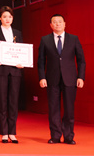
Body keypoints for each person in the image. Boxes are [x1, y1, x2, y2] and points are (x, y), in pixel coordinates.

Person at [38, 14, 85, 145]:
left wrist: (81, 77)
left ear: (64, 24)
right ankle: (55, 136)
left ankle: (69, 136)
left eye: (60, 22)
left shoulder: (73, 39)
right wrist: (42, 77)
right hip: (51, 79)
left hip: (70, 79)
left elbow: (81, 60)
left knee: (69, 109)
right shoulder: (45, 40)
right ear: (51, 25)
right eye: (55, 22)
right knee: (53, 108)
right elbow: (40, 61)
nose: (57, 24)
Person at [0, 6, 23, 143]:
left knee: (13, 102)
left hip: (15, 71)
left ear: (12, 18)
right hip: (0, 71)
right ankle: (4, 132)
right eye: (5, 17)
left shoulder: (17, 33)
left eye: (10, 17)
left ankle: (12, 132)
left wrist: (23, 61)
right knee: (2, 102)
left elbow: (22, 50)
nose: (7, 19)